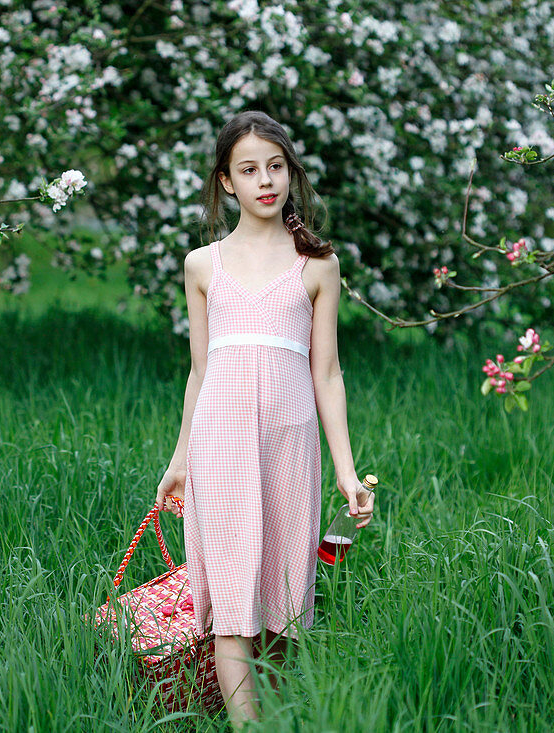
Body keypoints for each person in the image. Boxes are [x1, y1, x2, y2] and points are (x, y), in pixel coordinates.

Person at [155, 110, 374, 725]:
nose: (265, 181)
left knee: (281, 603)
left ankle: (276, 715)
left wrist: (346, 472)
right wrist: (179, 463)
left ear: (290, 173)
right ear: (227, 183)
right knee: (231, 601)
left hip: (290, 444)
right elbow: (199, 373)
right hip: (219, 448)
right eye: (248, 170)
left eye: (275, 166)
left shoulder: (317, 265)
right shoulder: (204, 266)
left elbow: (326, 374)